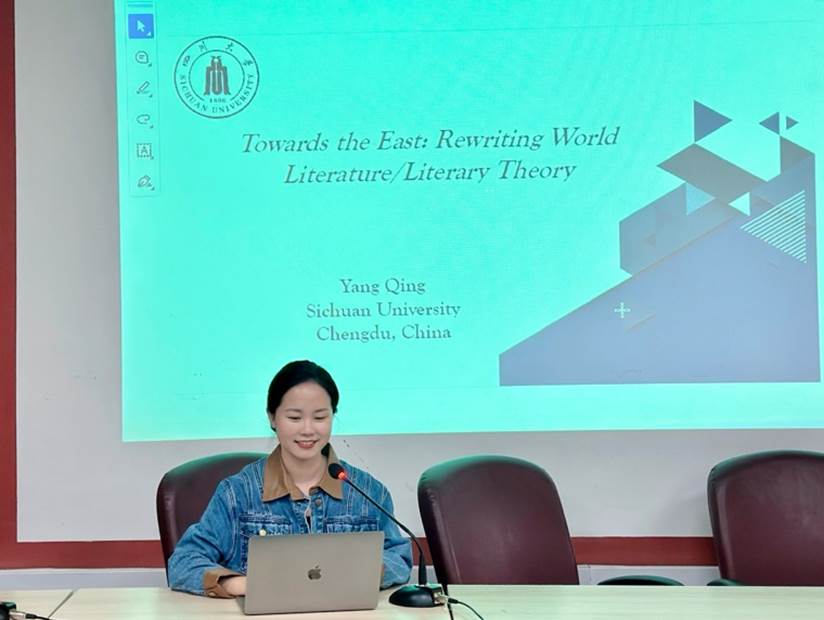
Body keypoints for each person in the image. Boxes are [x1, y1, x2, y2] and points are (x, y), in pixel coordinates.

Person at [167, 360, 413, 597]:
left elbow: (398, 556)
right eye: (294, 418)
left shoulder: (367, 492)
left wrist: (362, 574)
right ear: (272, 417)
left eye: (320, 417)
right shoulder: (237, 493)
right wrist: (243, 585)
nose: (307, 429)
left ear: (333, 416)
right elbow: (183, 562)